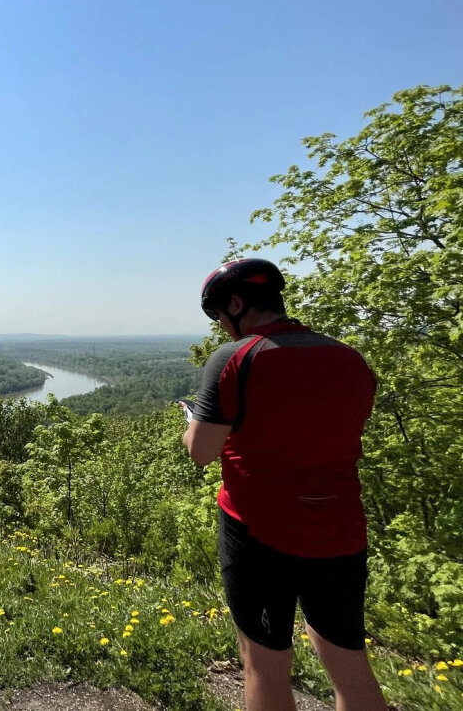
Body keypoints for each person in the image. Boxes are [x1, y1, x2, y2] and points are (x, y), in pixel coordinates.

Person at [181, 259, 387, 711]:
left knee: (264, 662)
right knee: (349, 660)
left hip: (256, 531)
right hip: (340, 531)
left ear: (237, 303)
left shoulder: (235, 358)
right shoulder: (348, 357)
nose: (221, 327)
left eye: (219, 315)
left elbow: (200, 452)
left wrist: (191, 423)